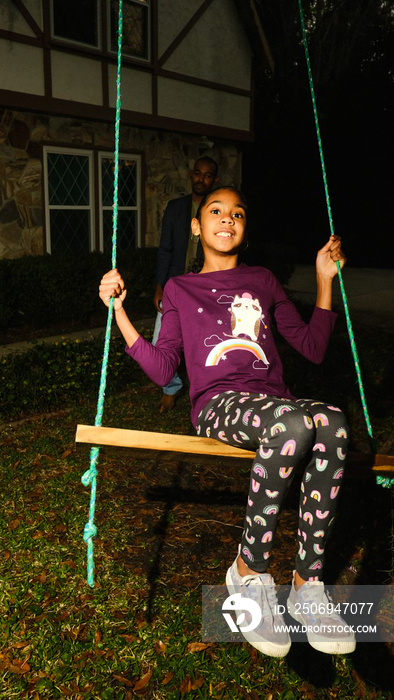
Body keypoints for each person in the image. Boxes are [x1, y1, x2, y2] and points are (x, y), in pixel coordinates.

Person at [99, 186, 355, 658]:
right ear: (196, 226)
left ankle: (306, 584)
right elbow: (163, 368)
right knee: (293, 424)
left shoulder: (262, 280)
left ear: (244, 228)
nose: (227, 218)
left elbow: (312, 347)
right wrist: (119, 312)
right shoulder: (179, 288)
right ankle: (248, 571)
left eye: (238, 213)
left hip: (275, 402)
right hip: (219, 404)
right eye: (215, 211)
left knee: (335, 423)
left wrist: (325, 280)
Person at [153, 156, 218, 413]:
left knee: (208, 344)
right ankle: (171, 388)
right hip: (174, 288)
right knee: (161, 339)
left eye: (208, 175)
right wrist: (160, 285)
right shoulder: (175, 208)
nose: (201, 179)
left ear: (214, 179)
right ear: (191, 175)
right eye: (198, 173)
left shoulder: (217, 209)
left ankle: (209, 393)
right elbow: (165, 249)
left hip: (206, 288)